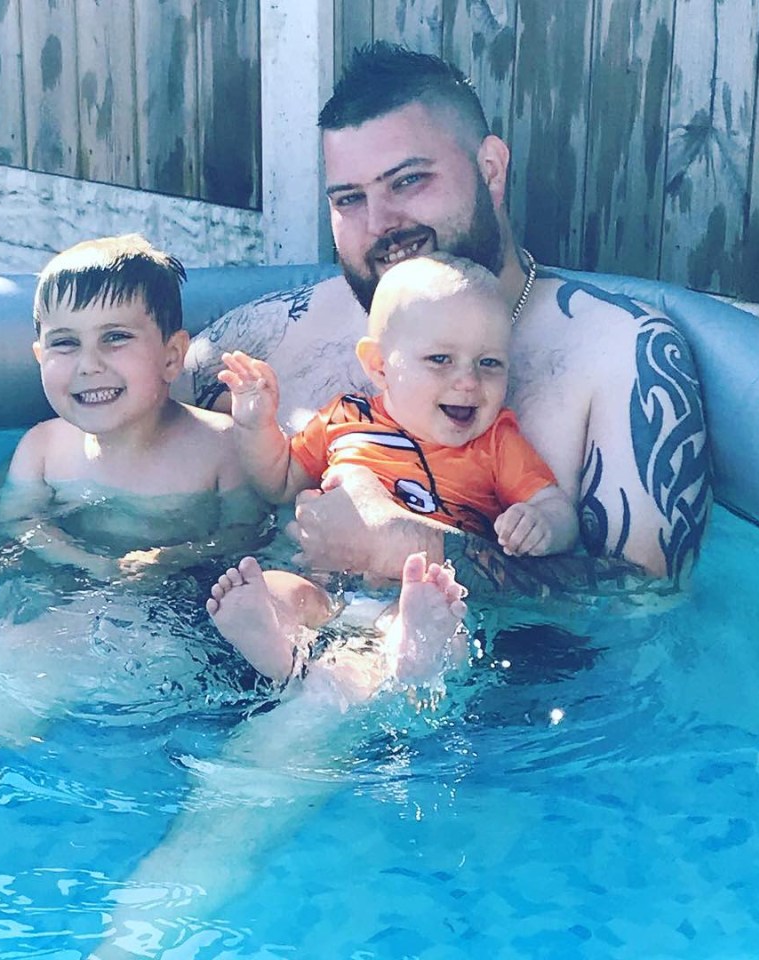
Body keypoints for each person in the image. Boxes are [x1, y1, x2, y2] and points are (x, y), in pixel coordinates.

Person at [178, 42, 711, 600]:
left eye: (408, 181)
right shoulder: (282, 329)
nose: (381, 222)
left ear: (491, 169)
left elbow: (647, 606)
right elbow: (121, 409)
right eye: (350, 199)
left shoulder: (619, 353)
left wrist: (406, 546)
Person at [0, 234, 275, 859]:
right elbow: (17, 524)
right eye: (66, 344)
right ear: (40, 354)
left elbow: (245, 534)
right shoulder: (46, 446)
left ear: (174, 356)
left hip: (168, 598)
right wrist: (84, 562)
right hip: (67, 579)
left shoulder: (219, 447)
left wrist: (170, 559)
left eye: (116, 339)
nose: (88, 365)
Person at [206, 253, 577, 687]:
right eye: (440, 359)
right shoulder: (345, 418)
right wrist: (256, 424)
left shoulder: (495, 441)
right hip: (327, 587)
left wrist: (543, 522)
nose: (468, 381)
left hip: (415, 594)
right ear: (379, 366)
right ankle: (277, 646)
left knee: (442, 619)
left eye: (489, 363)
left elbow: (553, 505)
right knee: (276, 589)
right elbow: (280, 481)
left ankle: (415, 653)